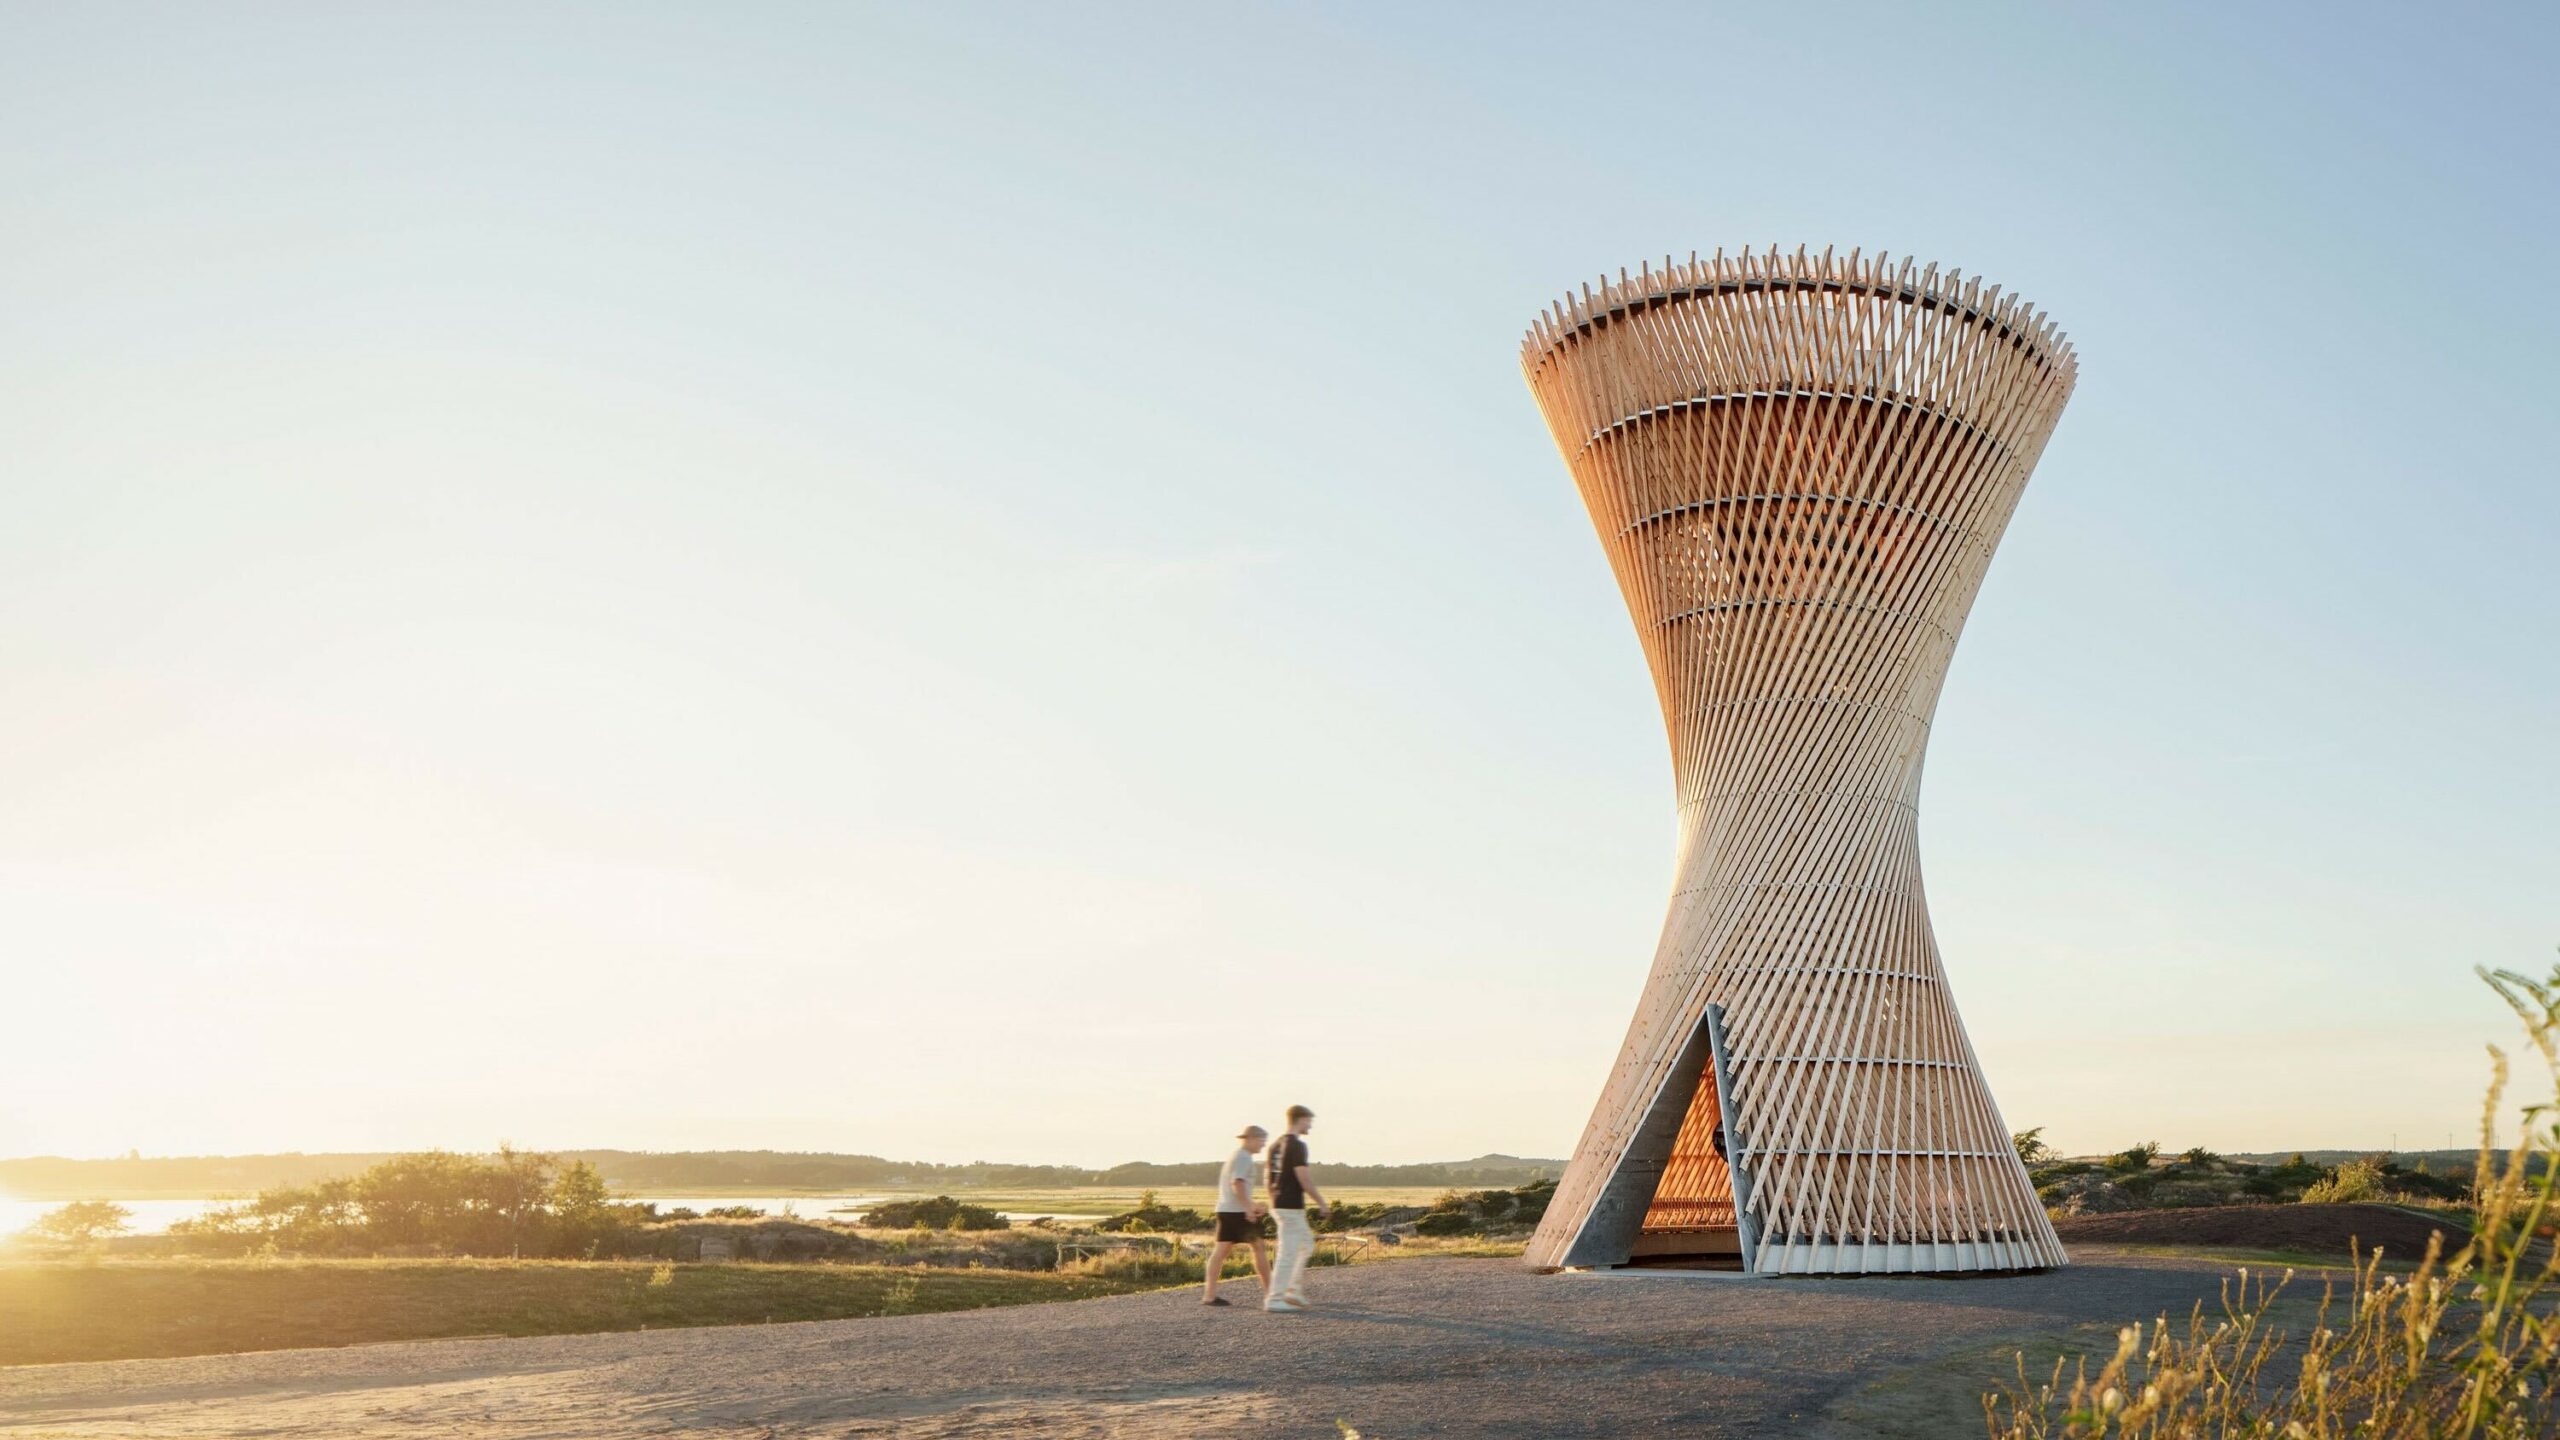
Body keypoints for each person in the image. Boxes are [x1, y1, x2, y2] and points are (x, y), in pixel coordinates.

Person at [1263, 1104, 1328, 1312]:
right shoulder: (1298, 1146)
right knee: (1288, 1252)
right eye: (1309, 1121)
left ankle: (1292, 1290)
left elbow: (1267, 1177)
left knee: (1306, 1244)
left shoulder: (1275, 1145)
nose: (1310, 1125)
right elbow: (1304, 1179)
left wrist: (1273, 1199)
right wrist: (1321, 1203)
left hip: (1280, 1204)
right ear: (1300, 1120)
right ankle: (1275, 1299)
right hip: (1290, 1205)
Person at [1201, 1125, 1271, 1306]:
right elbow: (1237, 1183)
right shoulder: (1244, 1158)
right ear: (1251, 1139)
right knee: (1258, 1247)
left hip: (1226, 1210)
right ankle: (1272, 1294)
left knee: (1220, 1252)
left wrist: (1253, 1204)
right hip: (1238, 1212)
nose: (1263, 1146)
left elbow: (1236, 1187)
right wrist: (1249, 1208)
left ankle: (1209, 1295)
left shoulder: (1236, 1155)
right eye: (1261, 1141)